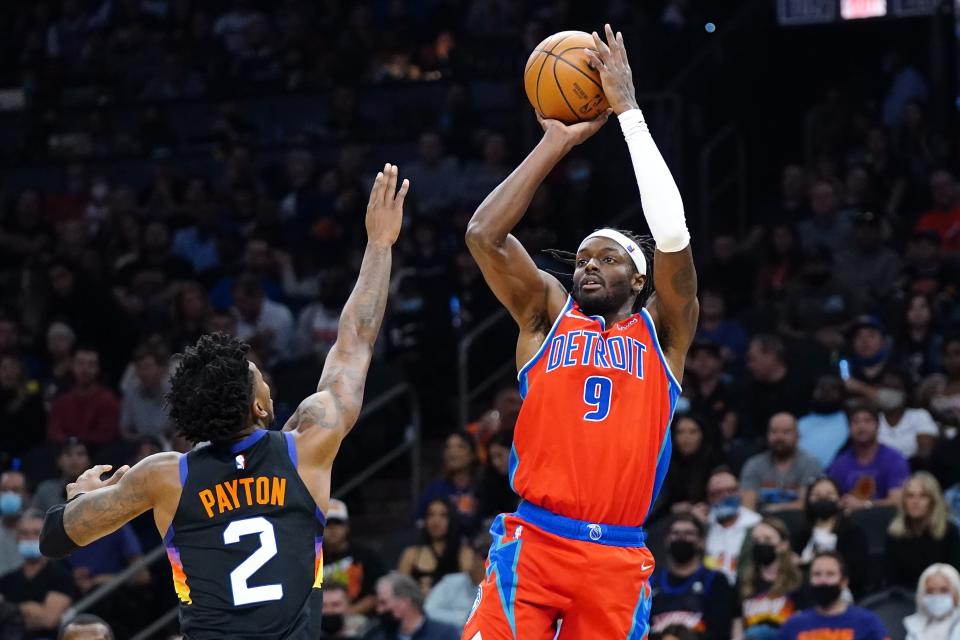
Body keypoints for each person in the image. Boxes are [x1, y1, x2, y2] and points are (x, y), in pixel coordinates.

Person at [38, 165, 410, 639]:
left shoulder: (165, 476)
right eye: (261, 380)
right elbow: (355, 339)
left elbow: (55, 538)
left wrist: (81, 496)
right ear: (258, 408)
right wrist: (379, 245)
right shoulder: (308, 445)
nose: (269, 384)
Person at [462, 25, 698, 639]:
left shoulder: (666, 333)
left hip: (617, 555)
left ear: (641, 282)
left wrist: (629, 114)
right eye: (583, 257)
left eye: (608, 257)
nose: (588, 263)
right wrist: (555, 144)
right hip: (534, 542)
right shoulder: (546, 315)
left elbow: (671, 233)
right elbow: (483, 235)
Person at [649, 514, 735, 639]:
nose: (681, 538)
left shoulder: (716, 581)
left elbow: (721, 633)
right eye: (675, 533)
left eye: (688, 533)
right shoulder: (651, 582)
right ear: (667, 540)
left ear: (701, 541)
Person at [0, 509, 77, 640]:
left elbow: (47, 620)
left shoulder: (61, 577)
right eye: (24, 533)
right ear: (17, 538)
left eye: (36, 533)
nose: (29, 538)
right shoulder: (6, 579)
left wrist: (11, 610)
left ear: (46, 537)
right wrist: (27, 610)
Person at [779, 551, 889, 640]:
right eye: (817, 574)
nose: (823, 580)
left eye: (830, 574)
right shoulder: (793, 625)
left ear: (844, 582)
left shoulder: (867, 622)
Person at [791, 477, 870, 597]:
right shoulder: (799, 533)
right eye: (816, 495)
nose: (823, 498)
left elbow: (857, 571)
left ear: (839, 498)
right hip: (803, 592)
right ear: (808, 500)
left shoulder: (853, 532)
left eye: (829, 494)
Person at [827, 402, 909, 510]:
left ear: (877, 425)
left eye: (867, 421)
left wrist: (865, 505)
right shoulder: (839, 463)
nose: (861, 426)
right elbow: (831, 499)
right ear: (849, 428)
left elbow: (897, 501)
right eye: (855, 422)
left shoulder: (894, 459)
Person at [885, 472, 960, 589]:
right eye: (910, 496)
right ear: (904, 501)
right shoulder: (894, 533)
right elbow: (891, 580)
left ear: (933, 501)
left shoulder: (950, 532)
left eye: (923, 496)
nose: (915, 501)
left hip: (942, 596)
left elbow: (954, 577)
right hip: (902, 599)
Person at [737, 518, 805, 640]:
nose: (761, 544)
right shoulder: (744, 581)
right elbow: (737, 627)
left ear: (783, 545)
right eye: (756, 540)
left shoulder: (799, 579)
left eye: (767, 539)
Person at [740, 412, 822, 513]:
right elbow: (747, 507)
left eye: (786, 432)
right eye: (774, 432)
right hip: (760, 524)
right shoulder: (754, 465)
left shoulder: (811, 464)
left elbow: (805, 505)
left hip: (798, 524)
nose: (779, 437)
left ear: (798, 436)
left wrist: (773, 509)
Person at [322, 499, 386, 616]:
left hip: (361, 622)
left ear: (347, 526)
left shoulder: (366, 556)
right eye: (327, 524)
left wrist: (349, 612)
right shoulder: (310, 558)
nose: (332, 529)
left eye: (337, 523)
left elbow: (380, 592)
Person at [398, 499, 475, 596]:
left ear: (452, 520)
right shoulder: (411, 555)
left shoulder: (465, 554)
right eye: (430, 515)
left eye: (443, 515)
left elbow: (474, 593)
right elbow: (398, 594)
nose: (436, 521)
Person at [46, 347, 121, 446]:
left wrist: (79, 444)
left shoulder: (108, 400)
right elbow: (53, 432)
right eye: (80, 363)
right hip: (63, 453)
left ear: (98, 368)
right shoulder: (61, 401)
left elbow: (106, 436)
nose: (85, 369)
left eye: (91, 364)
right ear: (72, 366)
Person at [702, 468, 761, 583]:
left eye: (731, 490)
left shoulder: (758, 525)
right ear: (709, 498)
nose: (725, 496)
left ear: (740, 492)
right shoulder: (702, 527)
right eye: (717, 493)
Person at [414, 433, 480, 534]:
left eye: (460, 446)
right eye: (448, 447)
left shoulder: (483, 487)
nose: (452, 452)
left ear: (473, 454)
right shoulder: (435, 489)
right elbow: (417, 520)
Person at [658, 414, 722, 518]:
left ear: (703, 434)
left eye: (693, 432)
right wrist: (672, 508)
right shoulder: (663, 466)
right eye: (680, 432)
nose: (686, 437)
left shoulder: (715, 464)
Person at [363, 573, 459, 640]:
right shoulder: (376, 635)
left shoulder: (445, 635)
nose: (379, 609)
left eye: (383, 603)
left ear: (404, 603)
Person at [876, 370, 938, 463]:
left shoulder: (919, 416)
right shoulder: (873, 419)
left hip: (913, 470)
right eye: (886, 387)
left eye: (895, 388)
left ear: (906, 392)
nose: (889, 392)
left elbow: (926, 452)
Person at [797, 375, 850, 468]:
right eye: (821, 388)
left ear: (843, 393)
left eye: (833, 388)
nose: (826, 392)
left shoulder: (852, 420)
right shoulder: (799, 422)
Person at [903, 563, 960, 640]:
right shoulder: (914, 626)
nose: (937, 596)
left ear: (956, 593)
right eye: (930, 591)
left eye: (944, 590)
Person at [31, 439, 91, 513]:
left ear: (88, 460)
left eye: (80, 454)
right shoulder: (46, 490)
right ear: (59, 461)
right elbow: (32, 518)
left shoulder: (103, 486)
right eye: (68, 454)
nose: (74, 459)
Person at [0, 471, 29, 576]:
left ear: (25, 495)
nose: (10, 494)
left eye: (16, 490)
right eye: (4, 490)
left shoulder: (38, 529)